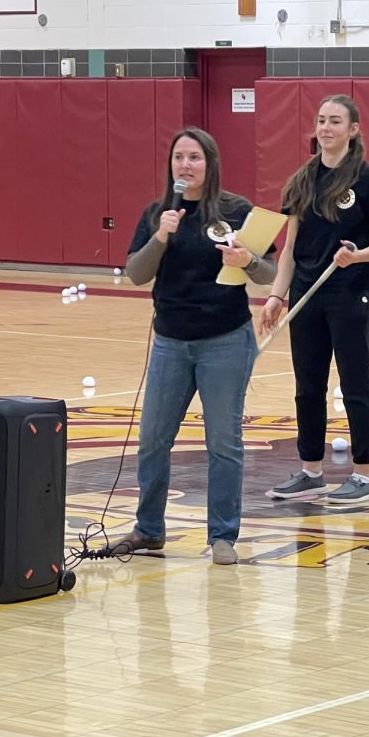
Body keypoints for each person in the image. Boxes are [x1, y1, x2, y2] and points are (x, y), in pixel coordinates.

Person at [110, 127, 277, 565]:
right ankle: (148, 530)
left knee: (223, 442)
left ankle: (223, 536)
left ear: (211, 164)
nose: (186, 165)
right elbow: (136, 273)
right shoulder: (157, 214)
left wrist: (248, 260)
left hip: (225, 341)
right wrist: (162, 235)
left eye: (195, 158)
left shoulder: (235, 211)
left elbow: (268, 274)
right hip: (170, 342)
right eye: (179, 157)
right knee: (152, 441)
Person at [259, 94, 369, 504]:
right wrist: (275, 296)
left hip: (350, 294)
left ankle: (365, 475)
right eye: (321, 120)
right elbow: (289, 248)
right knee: (307, 388)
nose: (326, 128)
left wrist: (358, 256)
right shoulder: (302, 179)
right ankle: (310, 471)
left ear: (353, 130)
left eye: (335, 121)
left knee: (356, 385)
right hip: (306, 296)